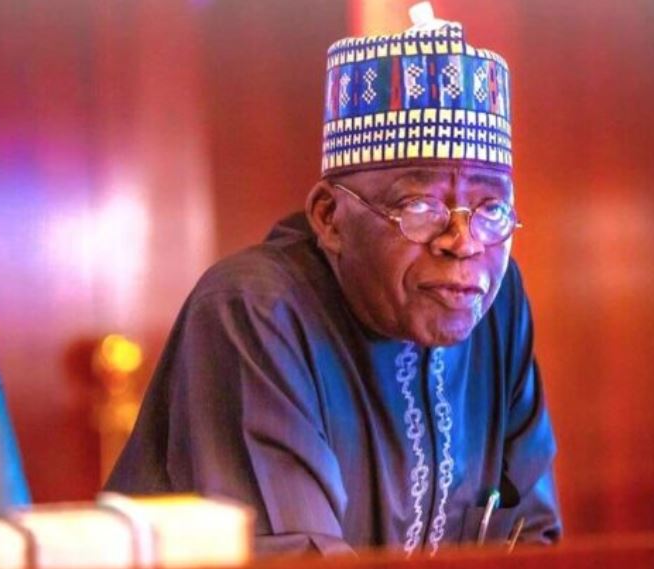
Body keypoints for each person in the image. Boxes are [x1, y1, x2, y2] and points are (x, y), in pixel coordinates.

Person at [106, 3, 562, 556]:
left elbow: (530, 540)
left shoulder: (498, 302)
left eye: (491, 210)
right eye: (420, 206)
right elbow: (298, 560)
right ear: (329, 217)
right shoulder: (254, 311)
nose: (464, 242)